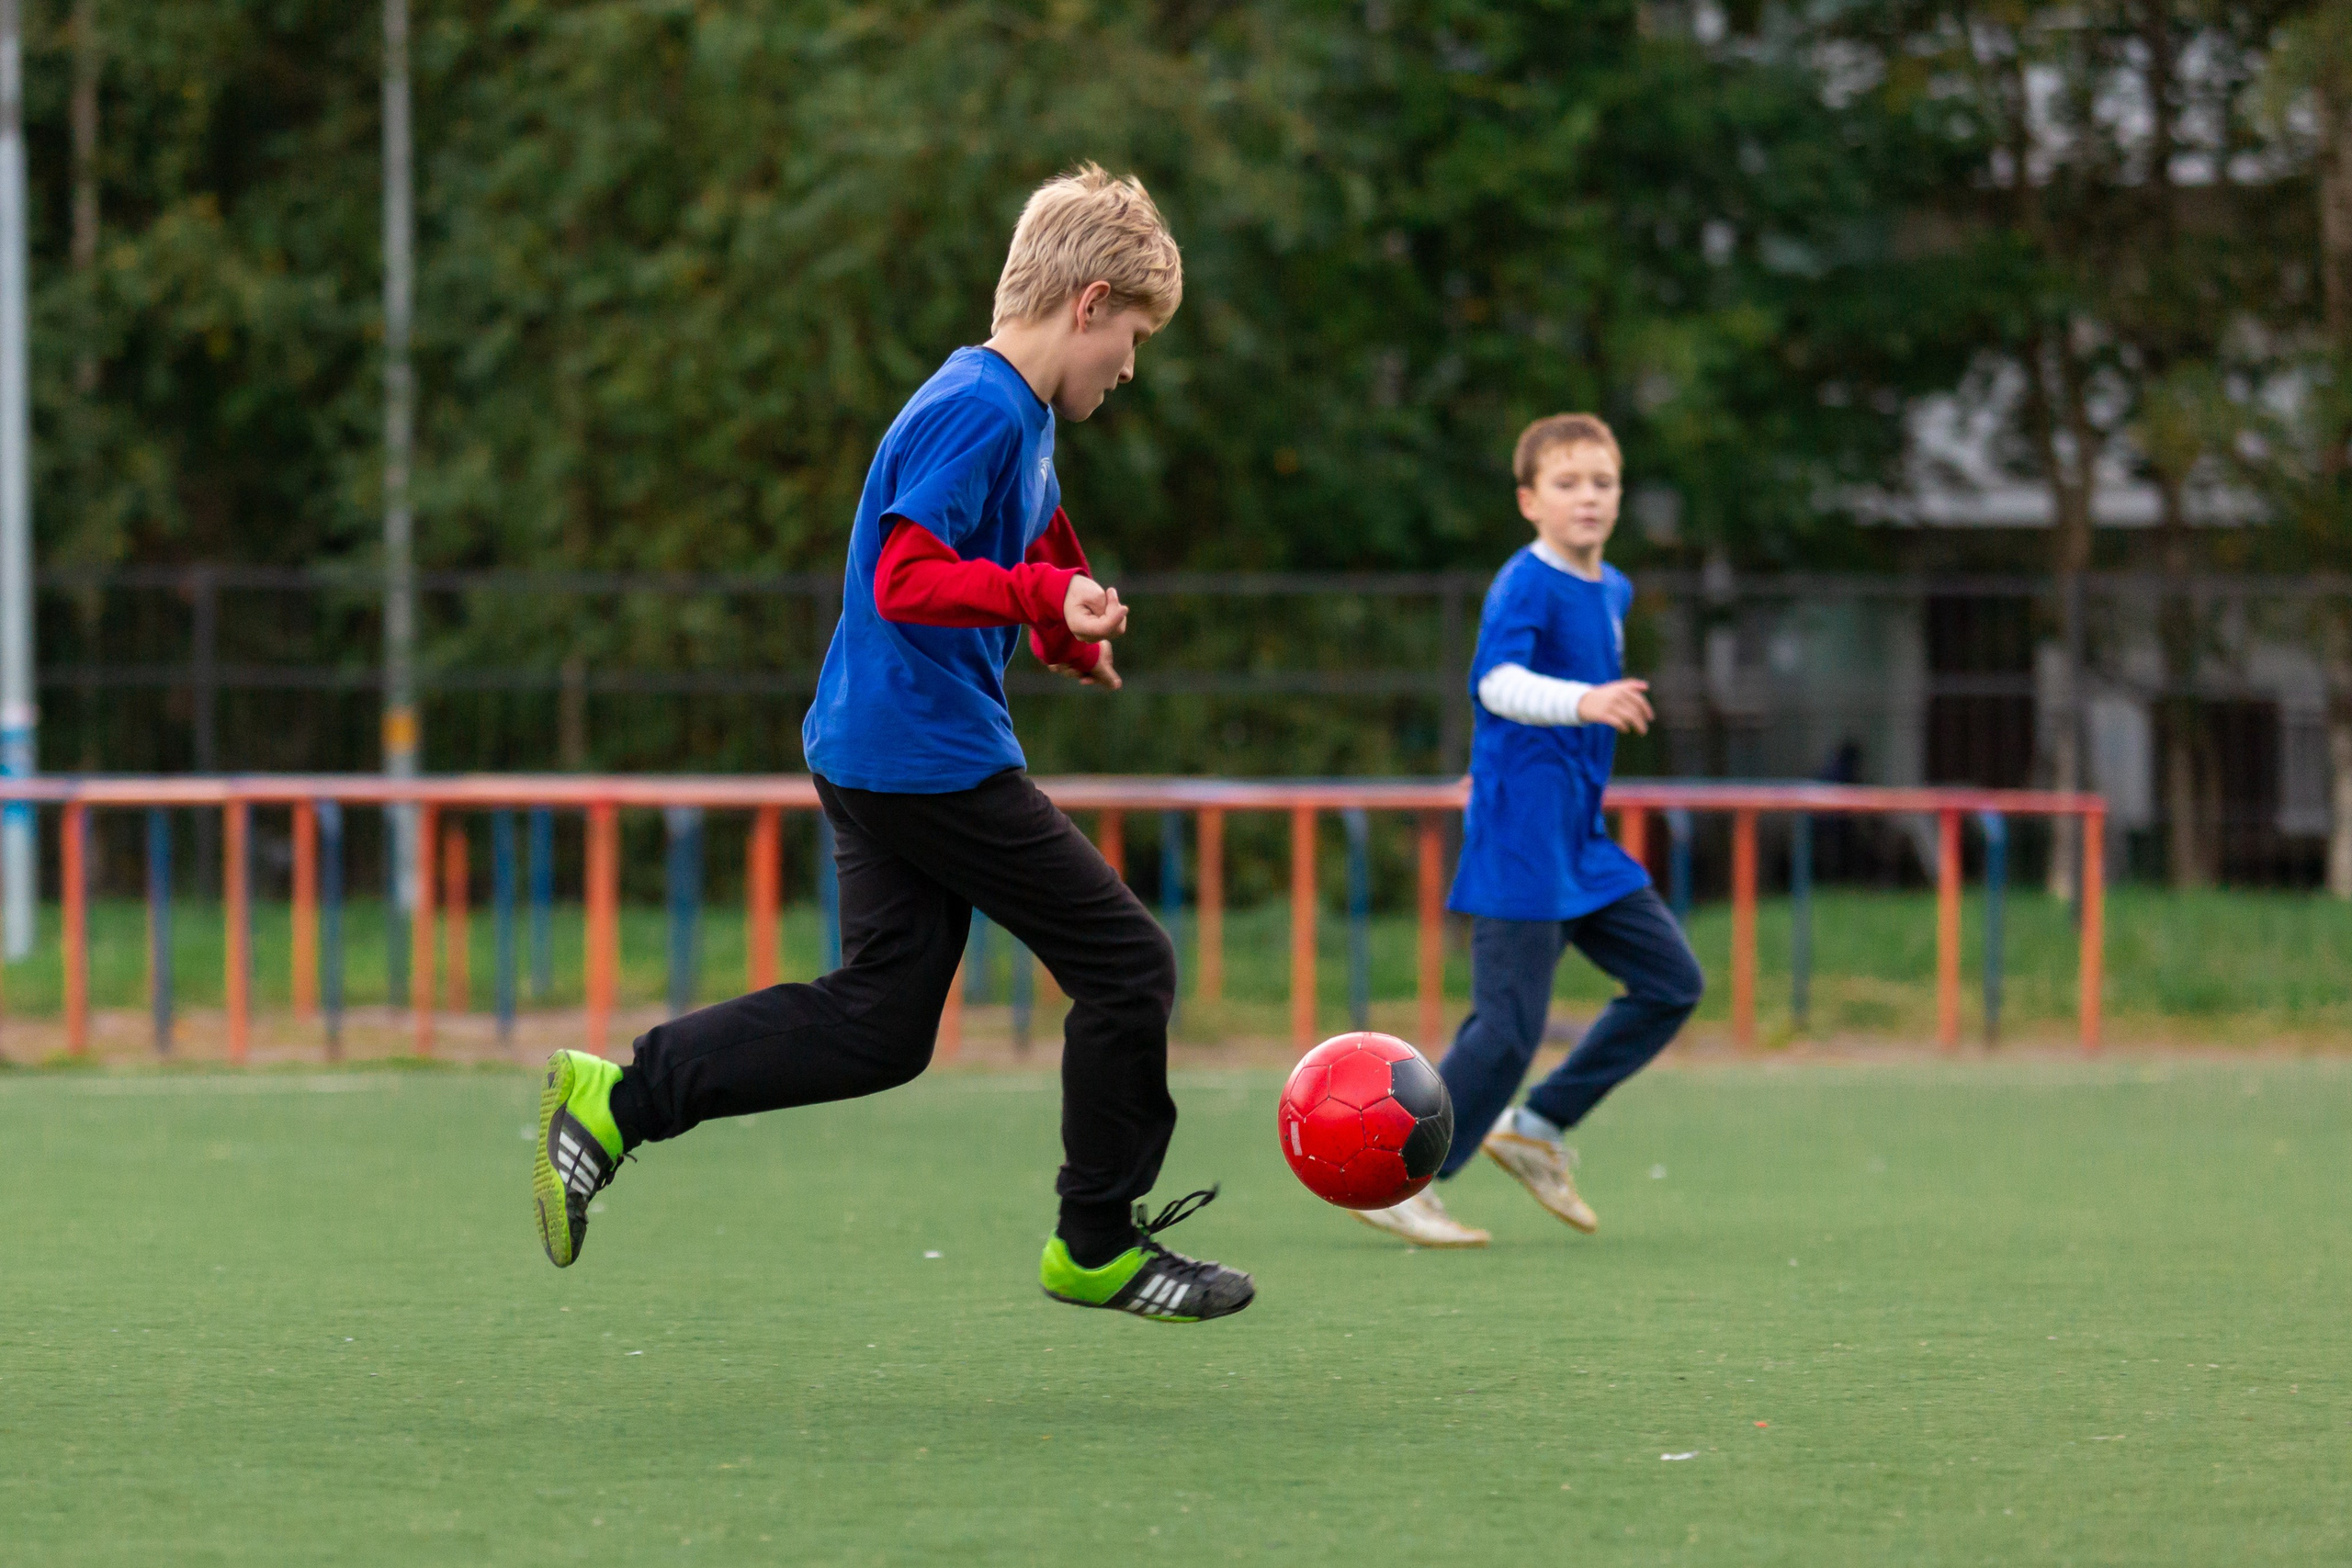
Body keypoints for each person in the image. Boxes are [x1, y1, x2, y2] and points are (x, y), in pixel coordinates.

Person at [530, 165, 1253, 1324]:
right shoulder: (977, 407)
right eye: (1130, 336)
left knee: (880, 1023)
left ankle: (621, 1100)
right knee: (1129, 969)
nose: (1130, 365)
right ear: (1088, 301)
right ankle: (1096, 1243)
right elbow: (906, 576)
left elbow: (1023, 539)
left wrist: (1066, 626)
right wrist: (1035, 599)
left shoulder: (1009, 412)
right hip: (927, 757)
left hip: (874, 746)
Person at [1357, 413, 1704, 1249]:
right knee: (1507, 1029)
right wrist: (1583, 700)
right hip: (1519, 839)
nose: (1588, 497)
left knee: (1671, 982)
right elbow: (1497, 682)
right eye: (1567, 482)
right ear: (1529, 500)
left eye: (1603, 482)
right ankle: (1403, 1182)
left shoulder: (1612, 587)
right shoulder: (1525, 582)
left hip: (1580, 843)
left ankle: (1540, 1124)